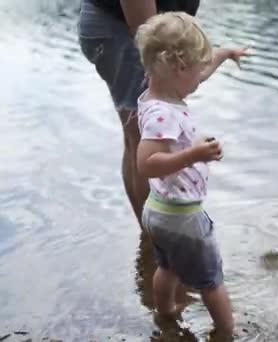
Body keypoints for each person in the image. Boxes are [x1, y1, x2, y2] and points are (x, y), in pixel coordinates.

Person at [134, 11, 249, 339]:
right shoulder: (162, 114)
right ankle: (228, 332)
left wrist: (225, 54)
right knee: (212, 281)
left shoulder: (157, 92)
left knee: (167, 267)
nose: (202, 77)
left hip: (158, 211)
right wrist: (194, 154)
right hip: (182, 217)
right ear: (178, 68)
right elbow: (147, 163)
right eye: (198, 70)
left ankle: (165, 314)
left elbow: (198, 72)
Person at [78, 0, 201, 227]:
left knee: (138, 138)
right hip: (126, 28)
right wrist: (157, 58)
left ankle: (155, 238)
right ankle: (159, 238)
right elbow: (147, 32)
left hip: (147, 31)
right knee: (147, 139)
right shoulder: (152, 43)